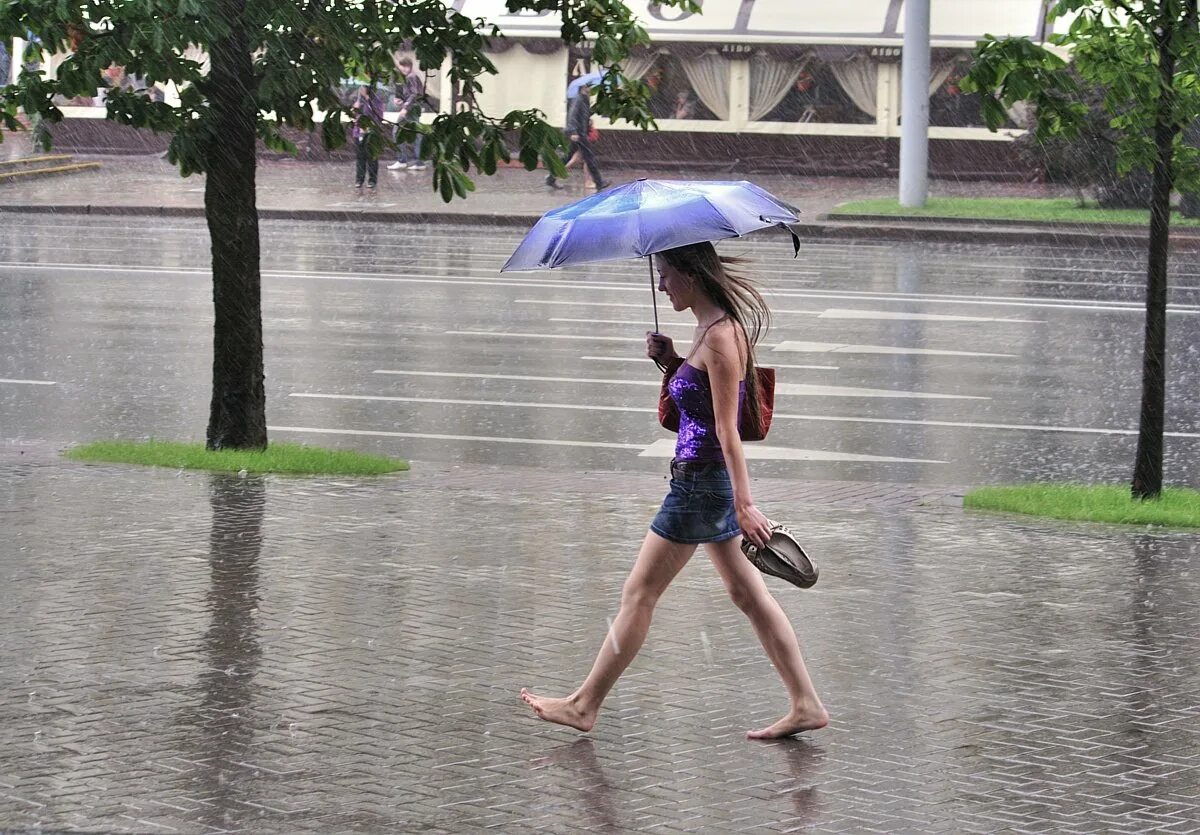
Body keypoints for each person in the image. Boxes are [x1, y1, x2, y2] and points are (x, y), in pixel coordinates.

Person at [521, 242, 828, 740]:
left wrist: (746, 504)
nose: (661, 284)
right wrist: (671, 363)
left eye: (666, 274)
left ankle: (583, 705)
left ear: (690, 274)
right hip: (701, 481)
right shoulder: (707, 328)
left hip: (699, 487)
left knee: (639, 594)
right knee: (746, 593)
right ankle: (806, 703)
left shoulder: (724, 336)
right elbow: (700, 405)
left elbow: (727, 430)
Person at [546, 81, 605, 191]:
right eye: (590, 87)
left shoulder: (585, 99)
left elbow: (582, 116)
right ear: (584, 87)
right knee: (589, 157)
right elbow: (572, 115)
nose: (592, 90)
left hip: (581, 133)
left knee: (567, 157)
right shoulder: (579, 99)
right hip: (579, 134)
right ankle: (599, 182)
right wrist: (573, 132)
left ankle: (551, 178)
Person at [388, 57, 426, 171]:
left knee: (398, 131)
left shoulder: (411, 77)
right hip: (411, 109)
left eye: (406, 66)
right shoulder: (405, 78)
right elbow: (407, 94)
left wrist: (405, 107)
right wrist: (399, 100)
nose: (404, 69)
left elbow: (414, 94)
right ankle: (414, 161)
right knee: (413, 134)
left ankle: (405, 160)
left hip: (411, 110)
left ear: (410, 66)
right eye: (402, 66)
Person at [350, 84, 384, 189]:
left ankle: (372, 180)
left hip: (372, 134)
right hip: (359, 133)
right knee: (360, 158)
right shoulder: (358, 101)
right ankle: (359, 180)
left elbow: (378, 115)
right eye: (360, 88)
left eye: (363, 88)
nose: (361, 90)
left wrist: (368, 100)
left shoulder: (376, 102)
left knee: (372, 158)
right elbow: (353, 116)